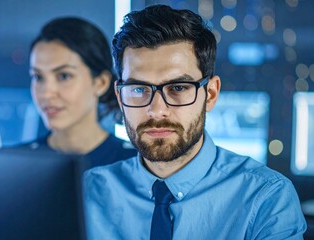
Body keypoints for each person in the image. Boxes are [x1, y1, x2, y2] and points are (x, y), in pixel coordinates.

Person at [83, 5, 306, 239]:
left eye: (178, 87)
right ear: (120, 97)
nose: (157, 110)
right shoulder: (87, 193)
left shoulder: (265, 197)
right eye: (138, 88)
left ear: (210, 94)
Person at [13, 17, 137, 169]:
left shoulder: (136, 166)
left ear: (100, 83)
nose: (46, 93)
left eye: (64, 76)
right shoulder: (12, 164)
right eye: (38, 77)